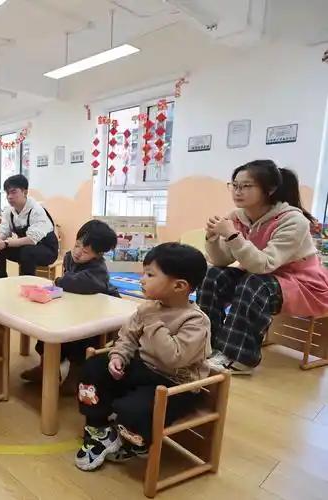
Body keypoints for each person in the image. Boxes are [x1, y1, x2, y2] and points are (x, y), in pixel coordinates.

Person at [74, 243, 210, 472]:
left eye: (150, 274)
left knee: (133, 409)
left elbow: (173, 357)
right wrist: (119, 356)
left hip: (175, 385)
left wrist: (152, 320)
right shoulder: (148, 308)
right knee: (93, 368)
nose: (142, 279)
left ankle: (134, 442)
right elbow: (127, 336)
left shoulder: (196, 321)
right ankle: (100, 430)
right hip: (144, 369)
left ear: (179, 286)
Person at [198, 160, 328, 374]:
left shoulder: (293, 220)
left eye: (246, 186)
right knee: (213, 275)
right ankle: (205, 344)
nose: (238, 191)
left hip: (302, 284)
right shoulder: (237, 217)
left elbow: (264, 265)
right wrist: (212, 239)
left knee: (254, 283)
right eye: (234, 185)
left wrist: (232, 236)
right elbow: (221, 261)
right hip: (260, 276)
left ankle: (239, 357)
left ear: (270, 189)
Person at [21, 220, 120, 390]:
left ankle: (75, 375)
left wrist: (60, 281)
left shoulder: (98, 270)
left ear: (98, 255)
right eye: (77, 245)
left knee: (80, 340)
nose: (78, 252)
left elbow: (75, 283)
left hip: (97, 316)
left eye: (85, 251)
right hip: (74, 308)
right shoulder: (69, 257)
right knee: (48, 329)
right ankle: (45, 367)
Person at [0, 174, 59, 278]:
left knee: (27, 251)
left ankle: (26, 283)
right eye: (7, 193)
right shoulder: (9, 212)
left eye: (13, 192)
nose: (9, 196)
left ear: (25, 192)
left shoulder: (36, 210)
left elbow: (31, 239)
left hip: (47, 251)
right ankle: (0, 280)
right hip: (25, 248)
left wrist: (6, 243)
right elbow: (3, 230)